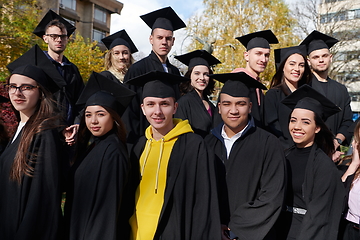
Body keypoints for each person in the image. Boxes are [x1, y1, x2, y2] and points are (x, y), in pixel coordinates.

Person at [126, 71, 221, 240]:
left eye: (164, 104)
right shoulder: (140, 146)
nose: (157, 111)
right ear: (142, 108)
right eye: (150, 104)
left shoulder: (194, 146)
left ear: (175, 107)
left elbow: (203, 204)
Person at [206, 72, 286, 240]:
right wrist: (214, 225)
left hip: (250, 234)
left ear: (250, 107)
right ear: (219, 107)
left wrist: (235, 229)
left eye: (240, 104)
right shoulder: (208, 144)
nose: (233, 110)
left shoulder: (269, 144)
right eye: (227, 104)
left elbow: (272, 196)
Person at [64, 72, 136, 240]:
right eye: (88, 115)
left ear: (114, 117)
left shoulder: (113, 152)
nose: (93, 121)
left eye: (101, 114)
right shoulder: (93, 146)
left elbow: (108, 210)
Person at [0, 65, 63, 239]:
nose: (17, 93)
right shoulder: (21, 128)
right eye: (12, 86)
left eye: (26, 87)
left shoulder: (44, 132)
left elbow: (43, 198)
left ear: (41, 92)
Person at [277, 84, 346, 240]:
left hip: (304, 232)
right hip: (278, 228)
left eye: (306, 122)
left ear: (317, 128)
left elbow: (320, 216)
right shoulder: (284, 156)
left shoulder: (324, 166)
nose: (297, 127)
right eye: (293, 120)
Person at [123, 6, 186, 148]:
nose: (164, 42)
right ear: (151, 39)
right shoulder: (137, 69)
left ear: (173, 41)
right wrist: (134, 145)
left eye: (168, 38)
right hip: (144, 140)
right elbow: (129, 112)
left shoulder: (174, 72)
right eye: (159, 38)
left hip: (171, 140)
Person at [33, 10, 85, 145]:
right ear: (45, 38)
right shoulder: (37, 66)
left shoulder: (72, 69)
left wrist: (77, 123)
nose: (59, 40)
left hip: (70, 135)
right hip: (43, 132)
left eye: (63, 36)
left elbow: (81, 100)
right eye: (54, 36)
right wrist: (59, 127)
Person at [300, 30, 353, 161]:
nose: (321, 60)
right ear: (308, 61)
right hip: (311, 155)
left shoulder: (341, 89)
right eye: (316, 57)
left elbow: (348, 124)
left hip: (338, 154)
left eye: (324, 56)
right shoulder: (304, 88)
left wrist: (339, 146)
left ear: (331, 57)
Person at [213, 30, 278, 128]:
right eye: (258, 54)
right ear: (246, 56)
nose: (263, 59)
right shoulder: (236, 82)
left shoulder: (258, 86)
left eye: (266, 55)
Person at [264, 45, 311, 149]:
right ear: (282, 67)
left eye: (301, 65)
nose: (297, 69)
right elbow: (272, 127)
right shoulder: (273, 95)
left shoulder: (308, 95)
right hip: (282, 151)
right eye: (292, 64)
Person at [174, 49, 221, 138]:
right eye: (197, 73)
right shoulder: (183, 103)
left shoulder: (210, 104)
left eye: (206, 74)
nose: (202, 78)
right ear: (189, 76)